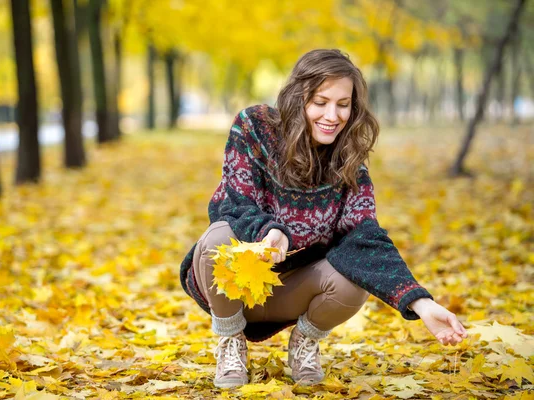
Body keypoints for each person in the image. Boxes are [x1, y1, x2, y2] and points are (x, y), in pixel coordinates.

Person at [179, 49, 468, 388]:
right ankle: (230, 341)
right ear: (298, 97)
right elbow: (233, 203)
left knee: (354, 278)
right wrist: (271, 232)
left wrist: (421, 303)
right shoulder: (255, 127)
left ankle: (304, 342)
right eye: (320, 102)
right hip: (234, 286)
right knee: (217, 237)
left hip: (292, 290)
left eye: (343, 104)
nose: (333, 115)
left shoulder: (348, 166)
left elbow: (365, 237)